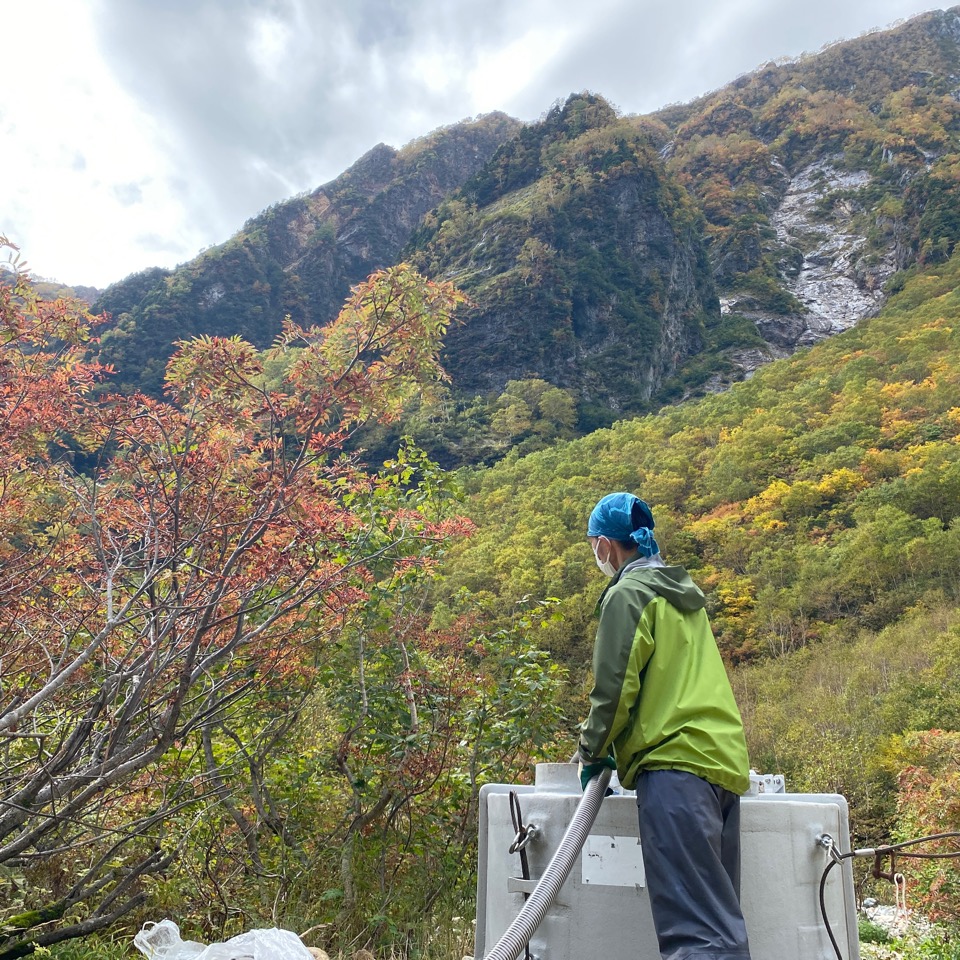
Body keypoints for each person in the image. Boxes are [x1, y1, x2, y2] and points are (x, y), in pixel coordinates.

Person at [577, 491, 752, 960]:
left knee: (696, 936)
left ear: (606, 545)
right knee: (719, 926)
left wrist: (592, 751)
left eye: (594, 544)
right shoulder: (683, 596)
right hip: (722, 767)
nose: (595, 553)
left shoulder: (630, 594)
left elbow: (614, 689)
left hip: (675, 771)